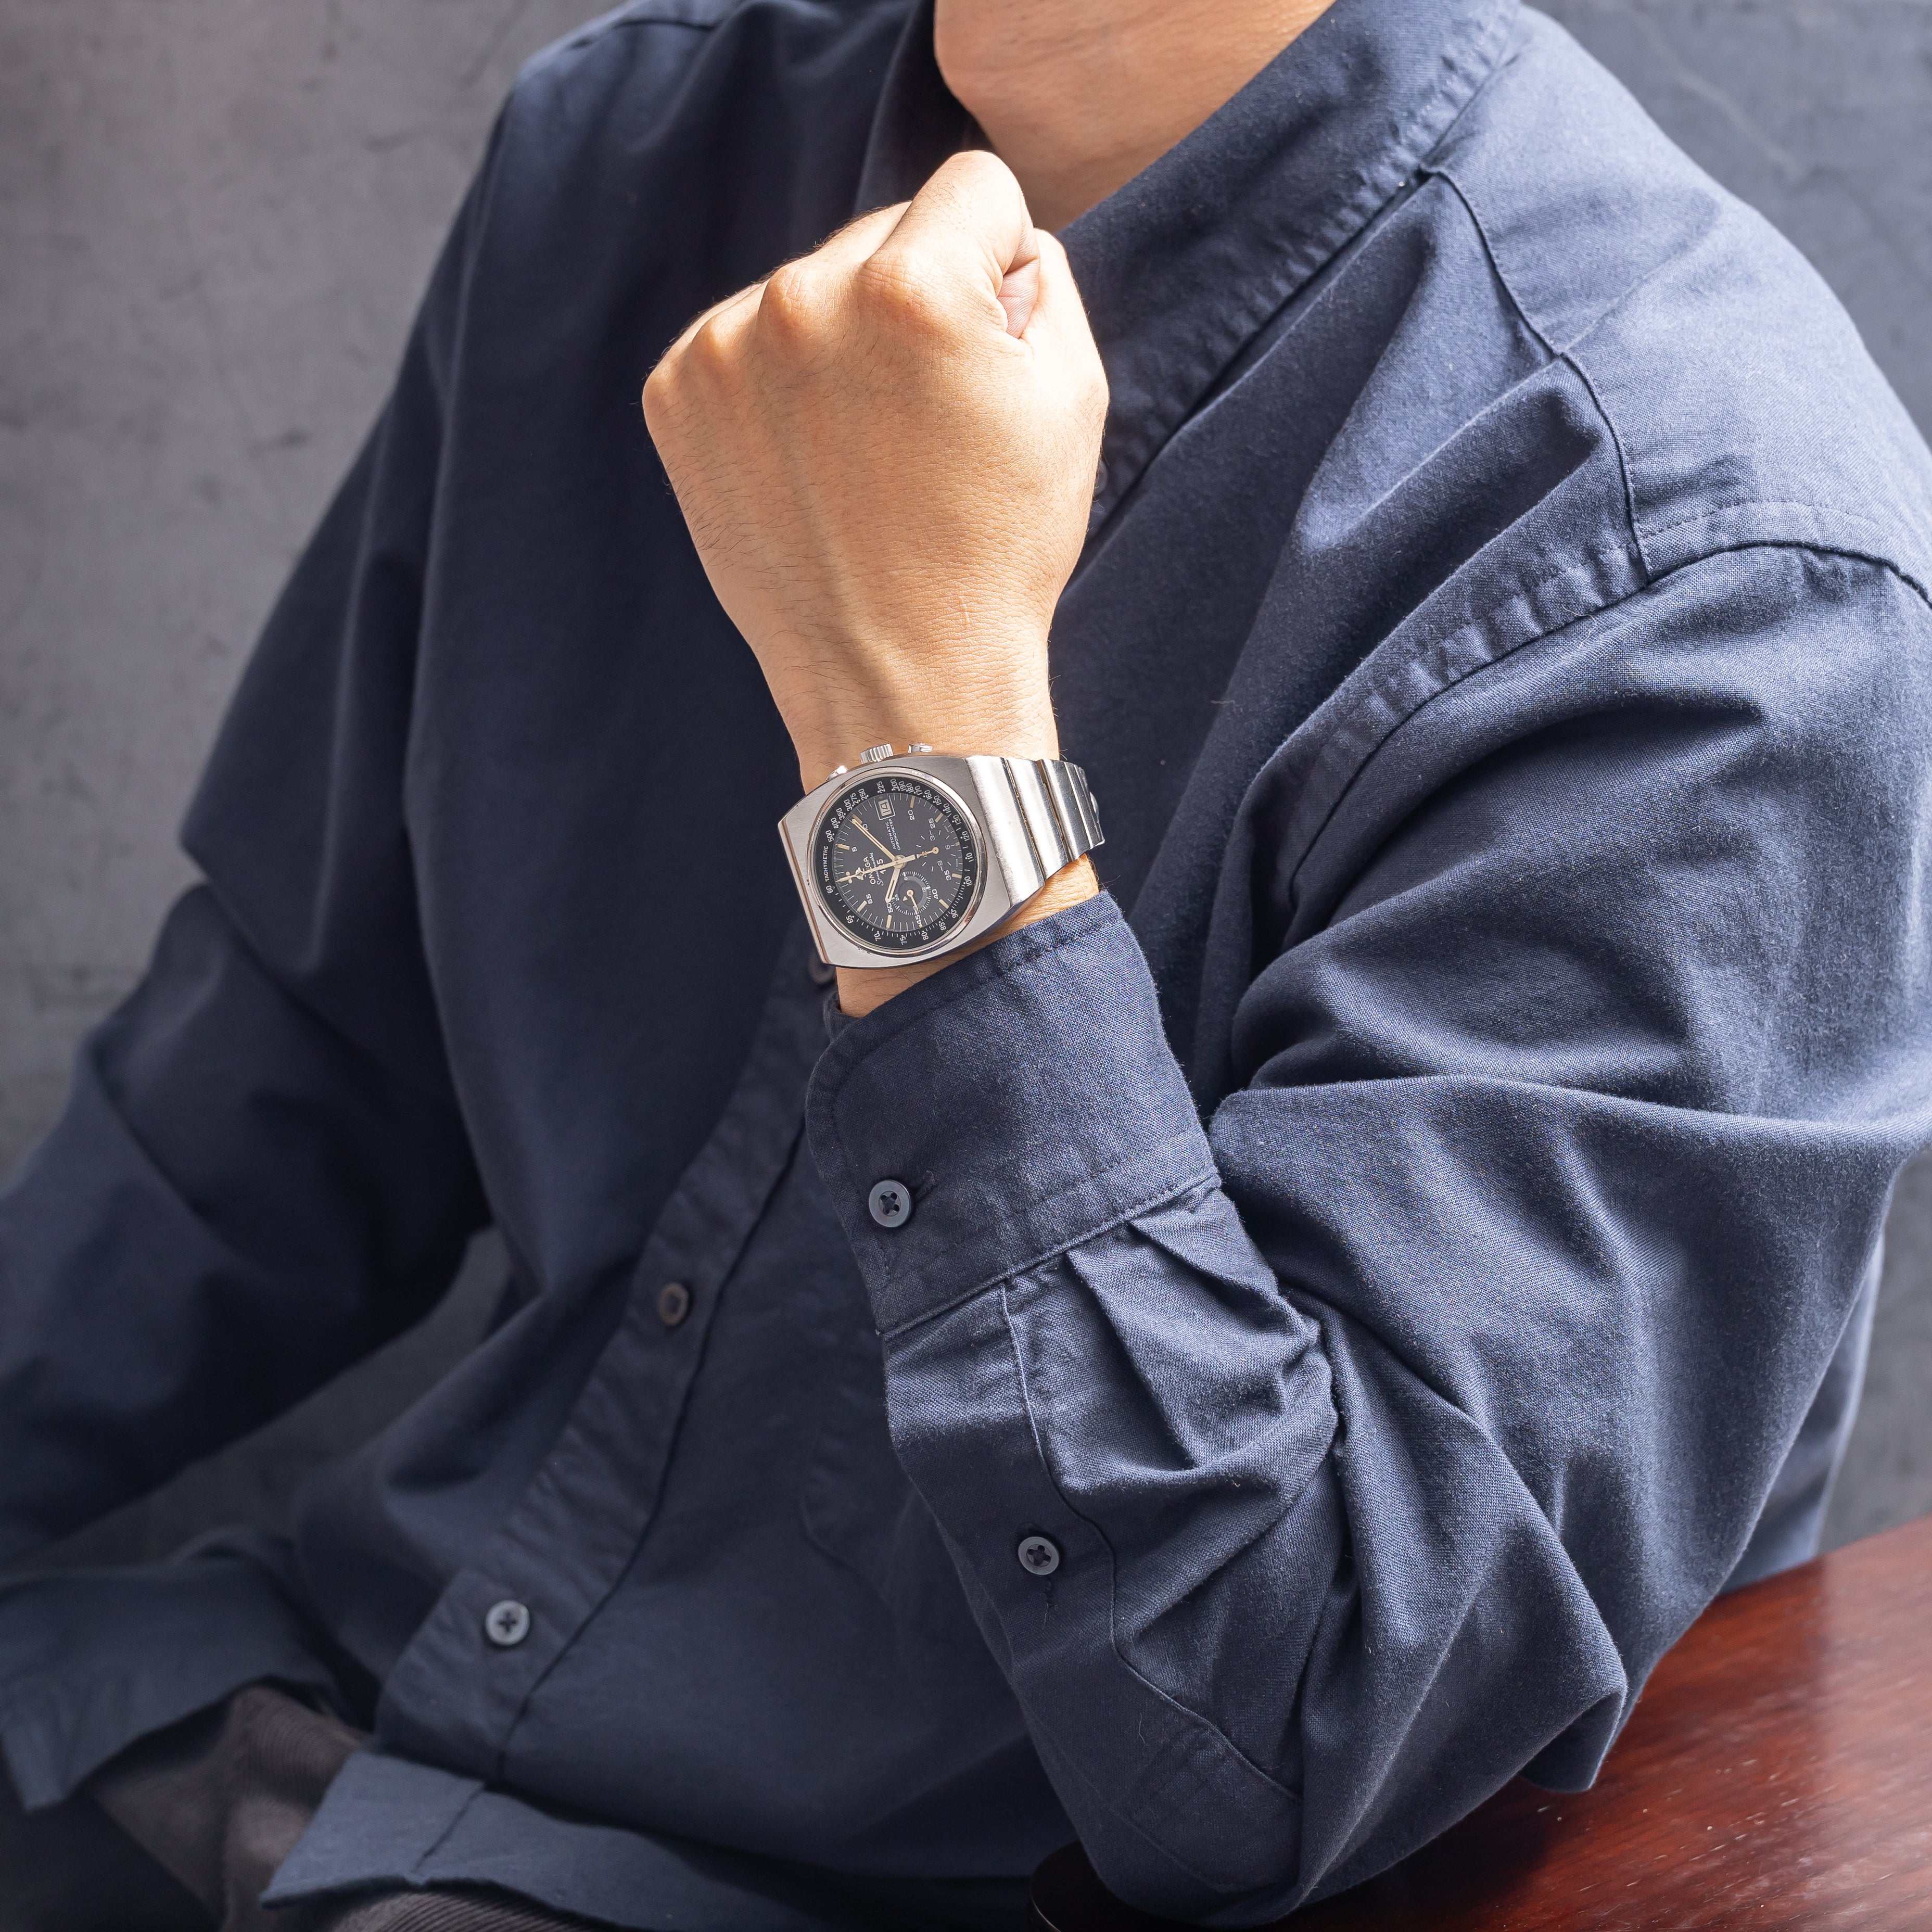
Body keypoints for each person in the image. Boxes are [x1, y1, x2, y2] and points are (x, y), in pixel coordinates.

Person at [3, 0, 1929, 1924]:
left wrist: (918, 734)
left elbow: (1291, 1719)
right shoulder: (626, 146)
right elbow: (289, 1078)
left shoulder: (1714, 558)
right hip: (292, 1723)